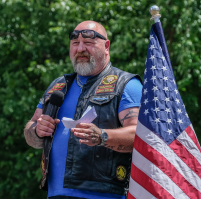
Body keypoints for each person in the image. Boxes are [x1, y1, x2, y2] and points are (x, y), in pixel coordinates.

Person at [24, 21, 143, 199]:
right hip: (55, 194)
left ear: (106, 46)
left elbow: (141, 136)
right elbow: (30, 131)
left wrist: (102, 136)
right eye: (75, 43)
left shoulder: (126, 84)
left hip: (104, 194)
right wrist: (37, 131)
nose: (81, 49)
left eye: (88, 43)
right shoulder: (58, 87)